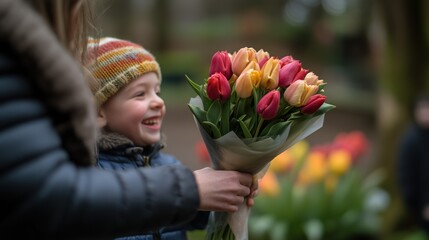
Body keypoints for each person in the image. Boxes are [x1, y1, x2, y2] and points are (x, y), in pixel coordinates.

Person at [0, 0, 256, 238]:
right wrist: (193, 190)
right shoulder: (92, 172)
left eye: (157, 91)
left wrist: (224, 194)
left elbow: (184, 216)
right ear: (98, 112)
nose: (157, 101)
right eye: (140, 94)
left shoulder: (168, 165)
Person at [397, 94, 429, 236]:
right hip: (421, 205)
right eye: (422, 109)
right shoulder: (411, 139)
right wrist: (420, 206)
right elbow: (406, 174)